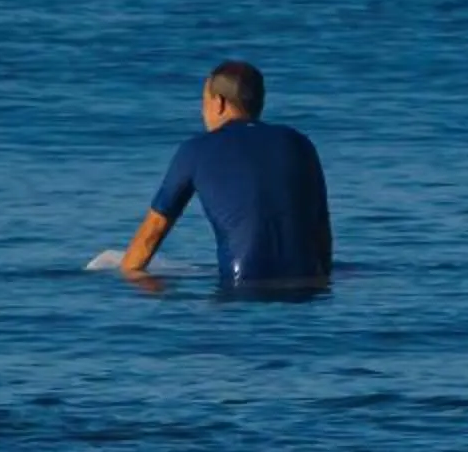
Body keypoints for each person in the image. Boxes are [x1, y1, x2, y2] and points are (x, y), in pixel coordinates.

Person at [109, 61, 332, 289]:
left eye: (204, 101)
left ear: (219, 103)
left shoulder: (195, 150)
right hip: (307, 287)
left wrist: (126, 281)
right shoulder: (300, 143)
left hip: (242, 290)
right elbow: (322, 230)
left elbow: (152, 232)